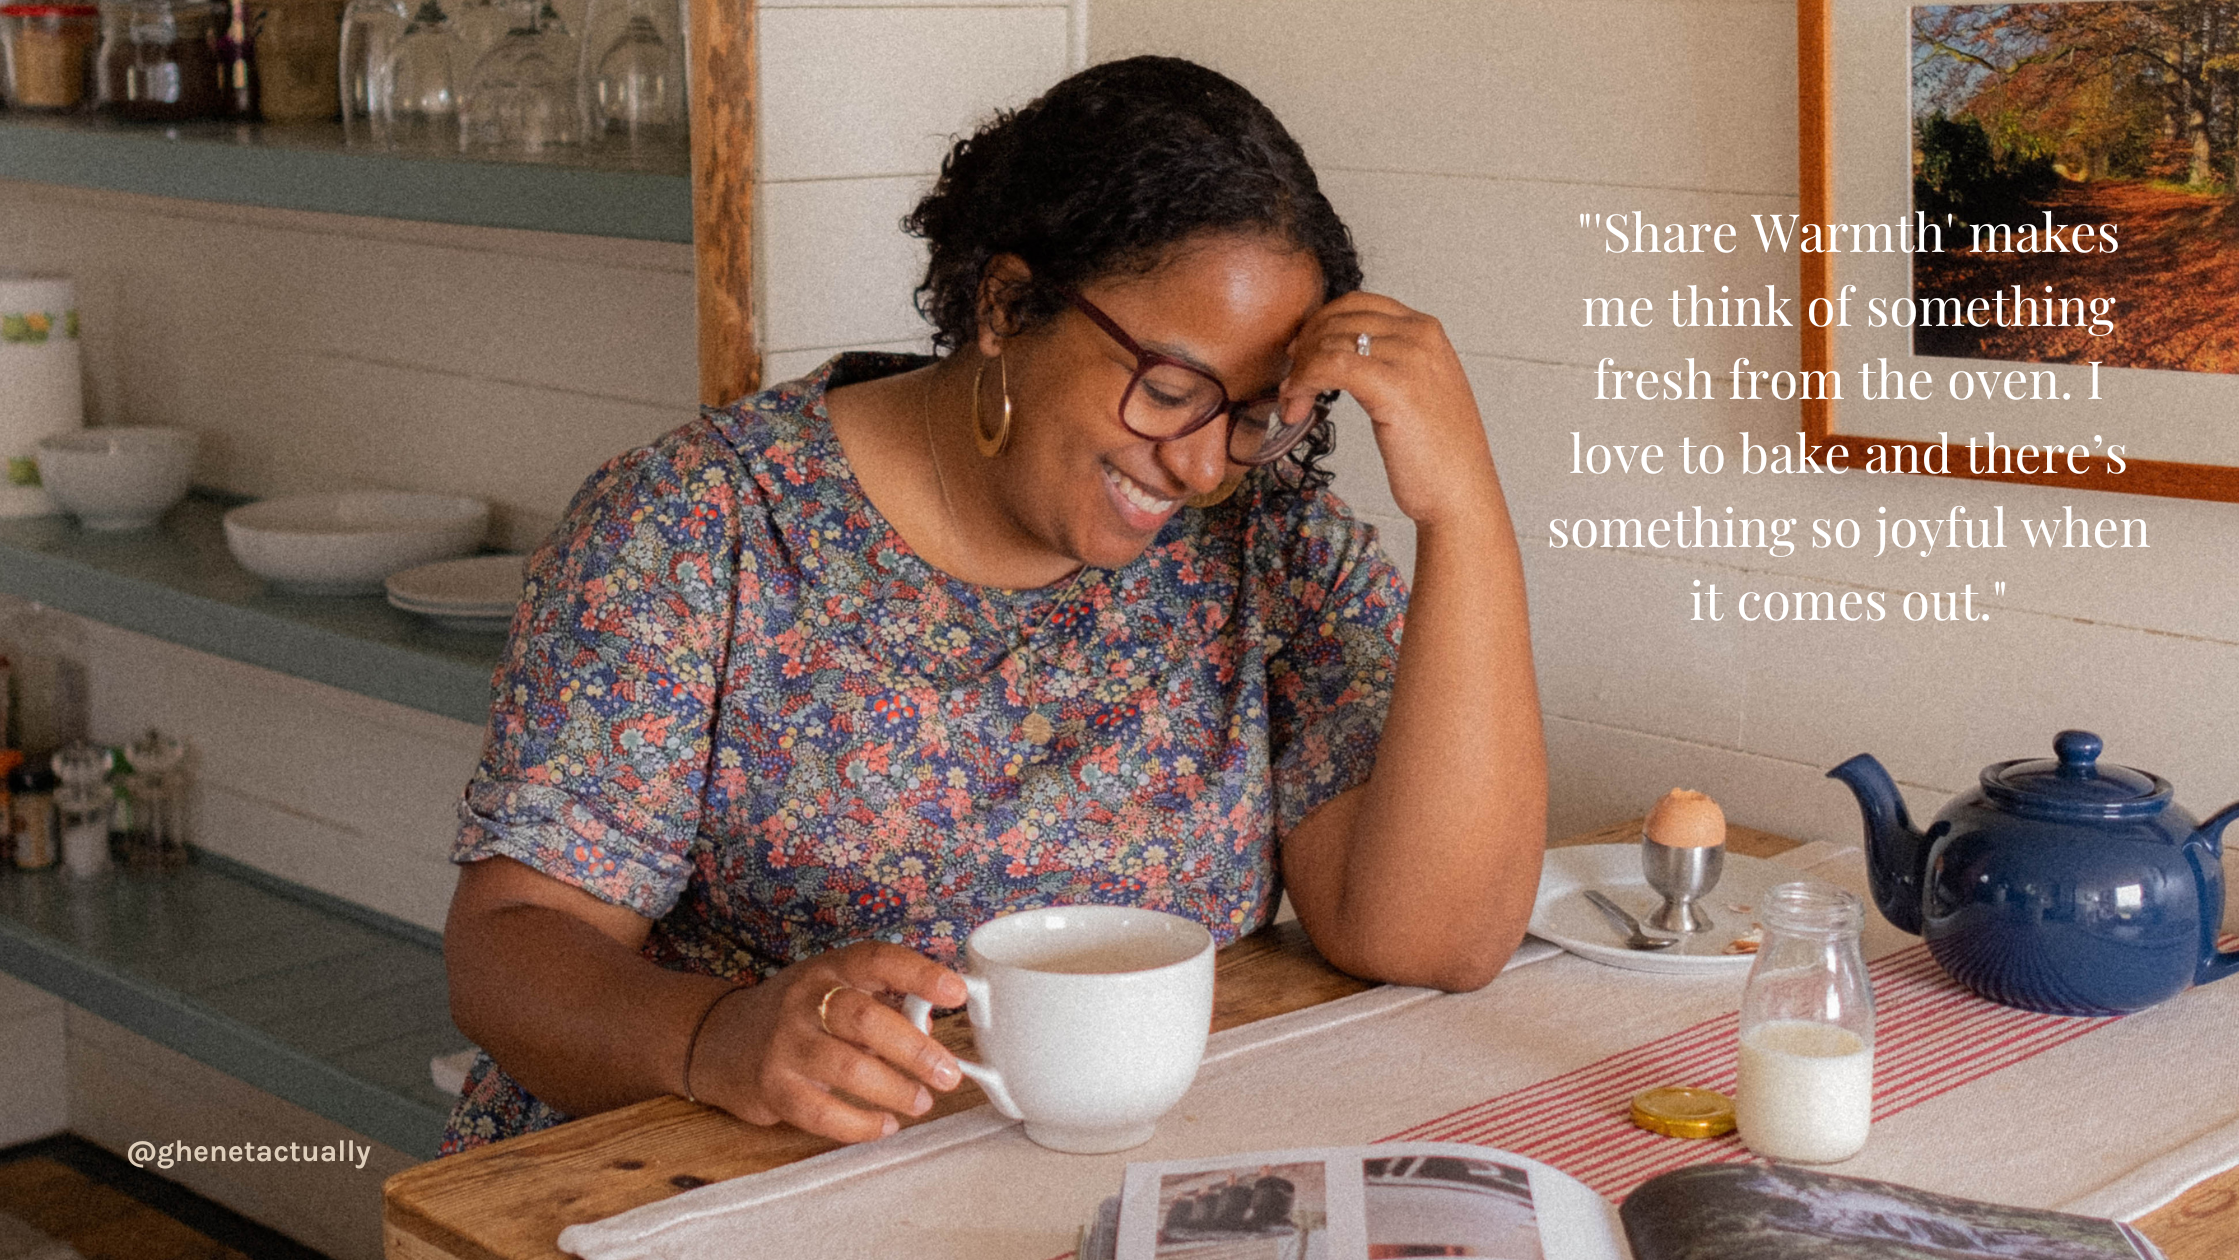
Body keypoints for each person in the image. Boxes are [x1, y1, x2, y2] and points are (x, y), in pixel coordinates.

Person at [438, 55, 1545, 1155]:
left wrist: (1462, 510)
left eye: (1253, 414)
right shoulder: (695, 527)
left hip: (1093, 1193)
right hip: (703, 1183)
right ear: (1007, 305)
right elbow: (509, 946)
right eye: (1167, 390)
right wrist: (712, 1037)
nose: (1204, 464)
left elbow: (1433, 938)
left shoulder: (1264, 545)